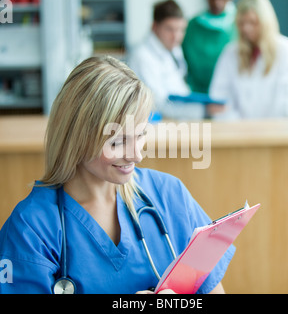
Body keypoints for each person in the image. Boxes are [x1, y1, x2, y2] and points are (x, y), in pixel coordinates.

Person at [0, 55, 235, 294]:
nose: (136, 155)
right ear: (76, 137)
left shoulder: (169, 195)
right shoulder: (31, 228)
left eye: (141, 134)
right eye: (119, 141)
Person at [209, 0, 288, 121]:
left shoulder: (287, 51)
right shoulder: (230, 53)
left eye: (253, 22)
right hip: (236, 136)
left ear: (265, 22)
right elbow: (218, 102)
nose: (246, 29)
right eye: (242, 23)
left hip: (276, 135)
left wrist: (264, 133)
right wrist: (243, 130)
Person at [128, 0, 208, 120]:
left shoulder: (174, 50)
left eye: (181, 30)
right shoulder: (142, 57)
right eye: (170, 29)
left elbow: (179, 89)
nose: (176, 36)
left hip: (180, 122)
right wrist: (203, 111)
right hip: (155, 126)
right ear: (154, 27)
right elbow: (158, 105)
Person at [182, 0, 237, 94]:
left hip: (229, 96)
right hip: (195, 94)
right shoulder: (192, 27)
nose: (216, 3)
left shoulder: (239, 25)